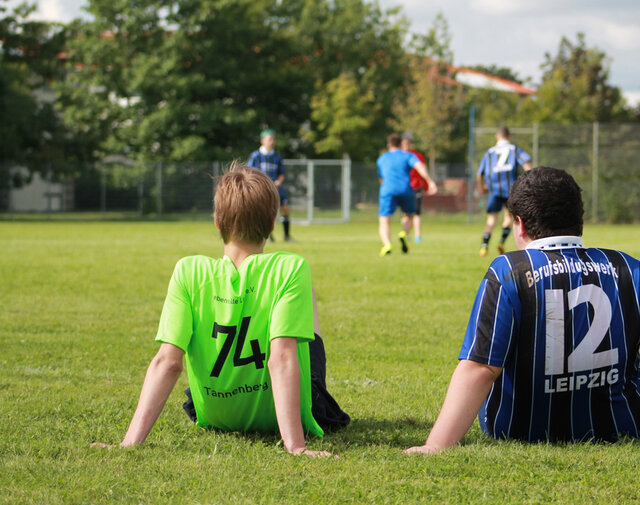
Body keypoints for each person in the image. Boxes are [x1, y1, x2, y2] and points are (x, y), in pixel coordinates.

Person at [405, 166, 640, 454]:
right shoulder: (628, 267)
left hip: (519, 428)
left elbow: (480, 369)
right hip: (625, 423)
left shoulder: (508, 271)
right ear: (580, 218)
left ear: (520, 223)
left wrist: (436, 446)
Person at [93, 162, 349, 456]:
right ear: (272, 223)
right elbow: (281, 358)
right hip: (282, 413)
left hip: (214, 413)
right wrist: (295, 446)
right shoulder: (290, 268)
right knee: (307, 296)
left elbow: (168, 362)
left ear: (217, 221)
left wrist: (129, 443)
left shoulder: (188, 271)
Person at [376, 133, 437, 256]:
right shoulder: (408, 156)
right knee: (410, 215)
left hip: (387, 190)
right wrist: (430, 181)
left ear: (388, 145)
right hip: (405, 189)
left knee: (384, 219)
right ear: (400, 144)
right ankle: (404, 232)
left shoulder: (381, 158)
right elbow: (420, 167)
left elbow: (381, 179)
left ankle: (387, 244)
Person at [476, 126, 533, 257]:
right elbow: (527, 164)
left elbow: (479, 173)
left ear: (496, 137)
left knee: (491, 219)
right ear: (509, 137)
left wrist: (482, 187)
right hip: (510, 191)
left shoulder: (489, 153)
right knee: (509, 217)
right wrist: (530, 182)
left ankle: (484, 246)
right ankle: (501, 242)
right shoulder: (514, 149)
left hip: (494, 191)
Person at [247, 129, 293, 242]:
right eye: (269, 139)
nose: (272, 142)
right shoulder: (256, 156)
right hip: (262, 188)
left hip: (276, 188)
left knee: (285, 208)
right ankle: (268, 236)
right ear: (262, 141)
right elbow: (249, 172)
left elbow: (281, 173)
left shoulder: (276, 156)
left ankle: (287, 236)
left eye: (273, 139)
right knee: (266, 211)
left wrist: (279, 181)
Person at [400, 133, 428, 243]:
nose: (406, 146)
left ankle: (418, 236)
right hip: (404, 188)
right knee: (406, 213)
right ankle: (406, 234)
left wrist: (426, 185)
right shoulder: (399, 156)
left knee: (416, 212)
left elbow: (423, 170)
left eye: (408, 143)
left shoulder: (417, 156)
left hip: (416, 187)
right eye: (404, 144)